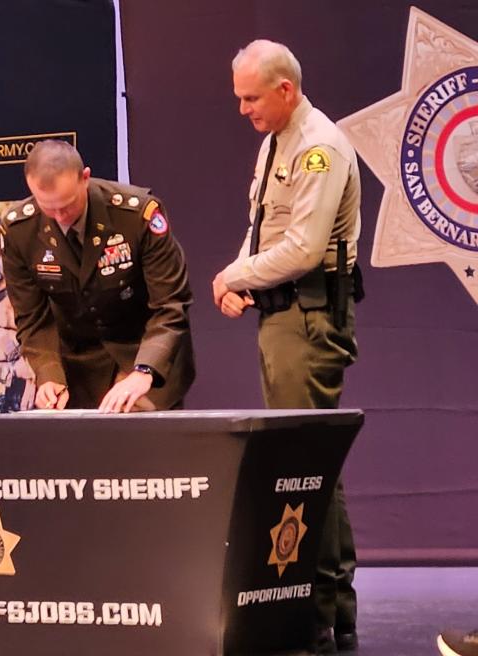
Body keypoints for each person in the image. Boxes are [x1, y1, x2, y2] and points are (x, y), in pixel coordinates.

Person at [212, 40, 363, 653]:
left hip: (307, 314)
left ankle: (319, 613)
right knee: (313, 453)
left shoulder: (318, 148)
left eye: (251, 98)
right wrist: (241, 282)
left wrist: (232, 276)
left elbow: (302, 250)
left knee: (307, 460)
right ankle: (337, 606)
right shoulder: (276, 138)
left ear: (285, 90)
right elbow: (265, 231)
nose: (243, 109)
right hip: (281, 313)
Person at [0, 140, 195, 413]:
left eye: (67, 205)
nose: (60, 217)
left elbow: (170, 305)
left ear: (85, 178)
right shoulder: (18, 230)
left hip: (143, 349)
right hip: (78, 364)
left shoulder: (136, 215)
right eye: (48, 207)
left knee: (132, 432)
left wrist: (143, 371)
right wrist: (49, 375)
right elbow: (33, 319)